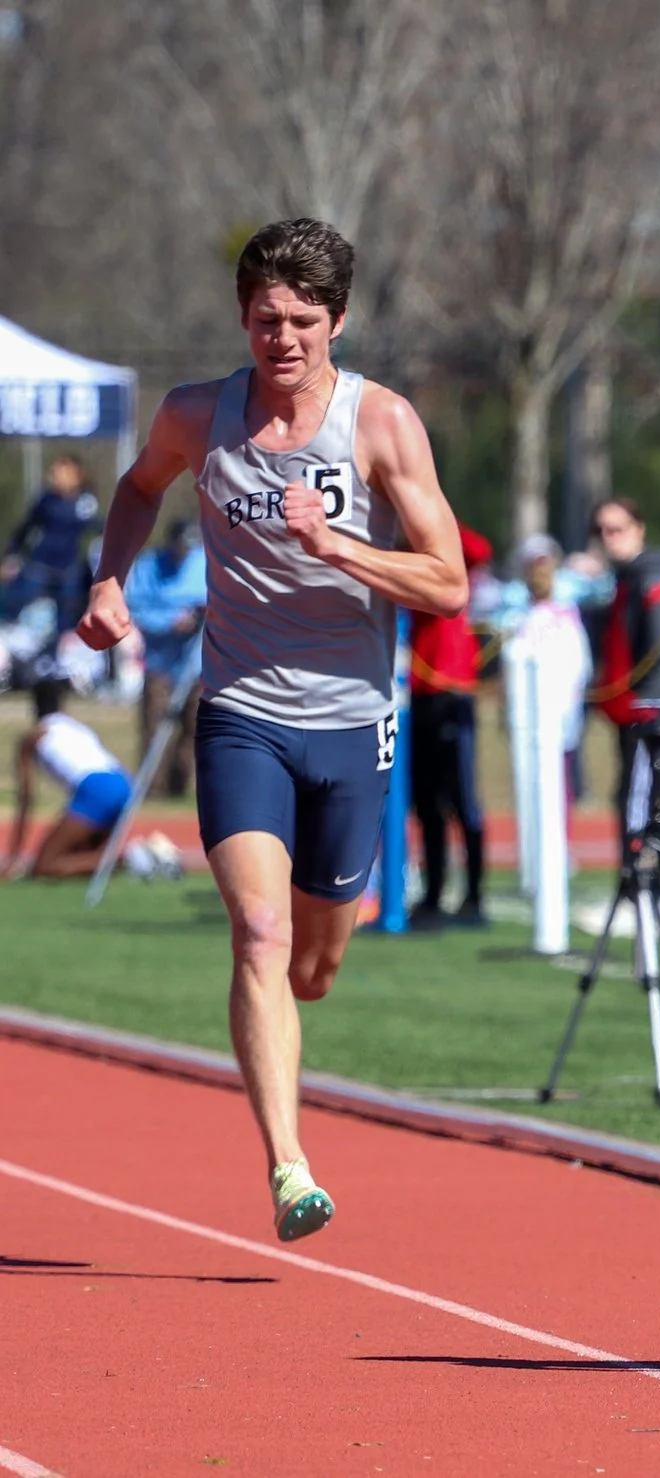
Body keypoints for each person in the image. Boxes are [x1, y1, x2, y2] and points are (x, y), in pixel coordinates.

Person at [74, 217, 469, 1239]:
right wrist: (109, 581)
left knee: (313, 964)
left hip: (352, 722)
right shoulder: (198, 415)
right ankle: (290, 1166)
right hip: (243, 708)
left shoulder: (381, 425)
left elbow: (448, 582)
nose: (280, 338)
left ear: (337, 320)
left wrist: (332, 543)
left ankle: (293, 1008)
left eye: (300, 320)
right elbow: (136, 488)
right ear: (242, 318)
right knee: (257, 929)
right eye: (263, 318)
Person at [588, 496, 660, 898]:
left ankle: (650, 888)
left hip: (648, 711)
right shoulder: (624, 578)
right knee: (640, 796)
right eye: (603, 531)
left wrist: (648, 700)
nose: (610, 539)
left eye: (618, 529)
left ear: (639, 529)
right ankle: (647, 885)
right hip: (630, 709)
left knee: (641, 798)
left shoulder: (650, 577)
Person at [407, 524, 494, 928]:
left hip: (452, 692)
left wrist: (432, 511)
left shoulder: (449, 554)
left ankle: (475, 897)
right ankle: (433, 894)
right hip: (418, 693)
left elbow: (480, 548)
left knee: (462, 799)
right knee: (426, 804)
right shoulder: (407, 556)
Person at [7, 680, 143, 881]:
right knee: (82, 853)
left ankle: (129, 859)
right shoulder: (75, 727)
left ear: (34, 706)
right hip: (124, 783)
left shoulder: (33, 737)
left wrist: (14, 856)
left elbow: (26, 796)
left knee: (45, 866)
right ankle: (131, 858)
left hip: (97, 788)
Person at [123, 517, 208, 797]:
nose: (185, 552)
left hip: (196, 664)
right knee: (156, 723)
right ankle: (153, 788)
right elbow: (137, 609)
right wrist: (170, 622)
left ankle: (181, 786)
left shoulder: (204, 562)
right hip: (160, 662)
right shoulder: (148, 566)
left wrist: (199, 616)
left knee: (194, 726)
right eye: (182, 546)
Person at [509, 533, 593, 805]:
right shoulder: (519, 613)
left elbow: (579, 664)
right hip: (529, 712)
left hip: (559, 707)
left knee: (559, 778)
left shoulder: (566, 612)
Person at [3, 454, 98, 624]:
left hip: (69, 569)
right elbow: (26, 528)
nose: (55, 477)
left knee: (68, 614)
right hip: (39, 566)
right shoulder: (45, 500)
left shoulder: (85, 502)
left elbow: (97, 527)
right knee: (22, 609)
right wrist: (12, 555)